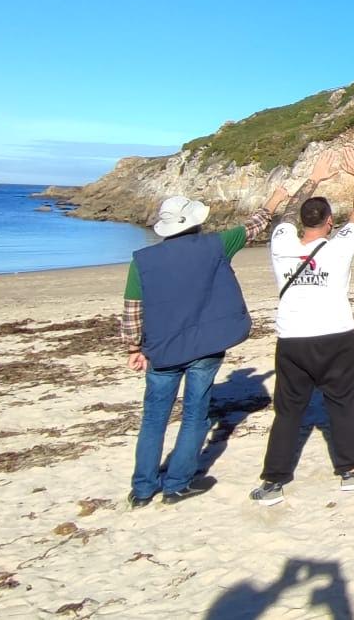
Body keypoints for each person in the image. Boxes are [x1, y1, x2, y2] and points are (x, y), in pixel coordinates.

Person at [120, 188, 284, 506]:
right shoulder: (215, 245)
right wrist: (274, 200)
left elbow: (132, 310)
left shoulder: (143, 261)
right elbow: (255, 225)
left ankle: (142, 489)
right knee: (195, 414)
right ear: (194, 223)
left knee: (154, 419)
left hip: (163, 349)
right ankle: (177, 484)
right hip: (205, 347)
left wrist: (133, 348)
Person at [253, 147, 354, 505]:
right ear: (329, 222)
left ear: (302, 221)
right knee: (341, 403)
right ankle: (349, 470)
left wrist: (314, 177)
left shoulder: (281, 243)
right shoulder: (338, 249)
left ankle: (274, 481)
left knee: (288, 411)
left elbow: (286, 213)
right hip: (336, 335)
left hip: (293, 338)